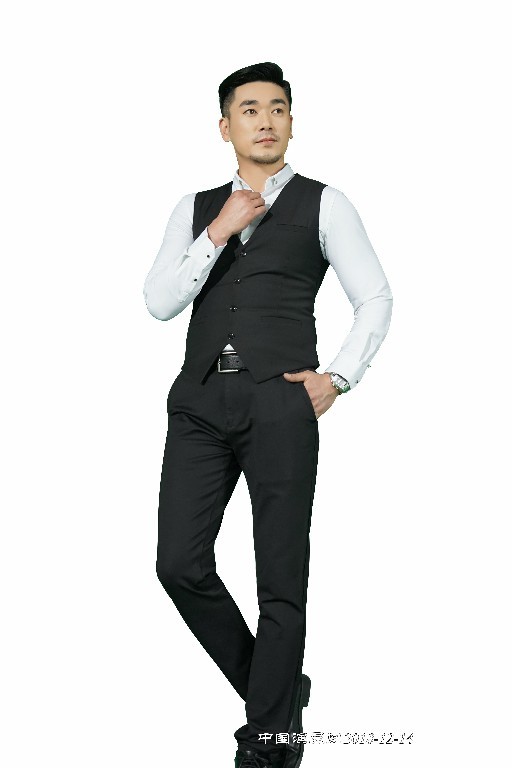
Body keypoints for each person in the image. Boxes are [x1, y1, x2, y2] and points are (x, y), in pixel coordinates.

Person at [143, 61, 393, 768]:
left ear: (291, 121)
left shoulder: (326, 203)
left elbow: (376, 296)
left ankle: (270, 741)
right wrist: (218, 231)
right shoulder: (195, 208)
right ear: (225, 127)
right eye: (249, 109)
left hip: (281, 402)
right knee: (178, 564)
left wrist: (338, 377)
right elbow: (159, 302)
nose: (266, 120)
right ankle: (279, 692)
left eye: (278, 108)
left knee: (281, 578)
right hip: (199, 402)